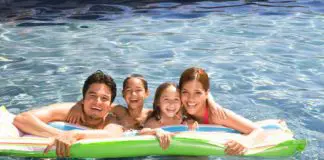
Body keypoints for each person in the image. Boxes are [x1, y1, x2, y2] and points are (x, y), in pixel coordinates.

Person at [13, 70, 124, 157]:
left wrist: (75, 134)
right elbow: (22, 118)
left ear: (110, 105)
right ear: (83, 99)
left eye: (104, 98)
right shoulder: (68, 111)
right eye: (92, 95)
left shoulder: (111, 120)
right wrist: (59, 135)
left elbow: (113, 135)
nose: (97, 102)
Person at [179, 67, 265, 155]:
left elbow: (259, 131)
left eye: (197, 93)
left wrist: (245, 141)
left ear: (206, 94)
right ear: (179, 92)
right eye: (185, 92)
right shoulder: (178, 107)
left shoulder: (217, 115)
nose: (191, 99)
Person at [66, 74, 152, 130]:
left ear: (147, 93)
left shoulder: (151, 114)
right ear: (123, 94)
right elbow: (99, 104)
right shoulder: (119, 110)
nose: (133, 94)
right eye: (128, 90)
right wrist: (77, 106)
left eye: (138, 90)